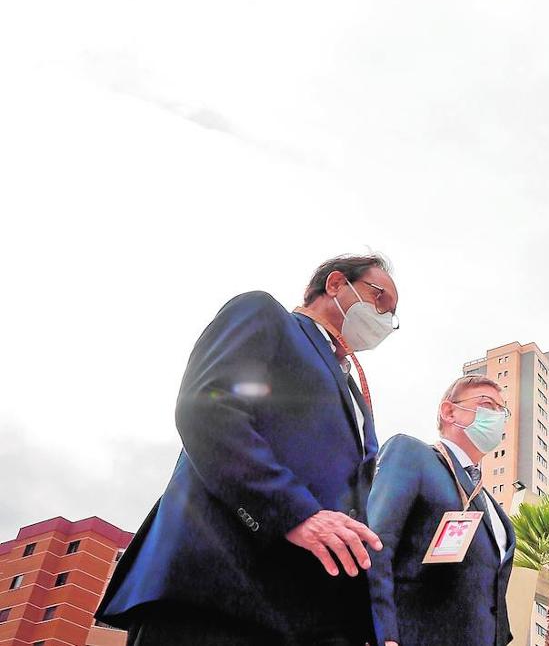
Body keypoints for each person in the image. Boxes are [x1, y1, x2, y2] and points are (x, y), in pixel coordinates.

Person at [96, 254, 400, 645]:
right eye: (379, 299)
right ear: (337, 284)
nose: (384, 319)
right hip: (219, 593)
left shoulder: (357, 395)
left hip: (311, 617)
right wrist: (294, 513)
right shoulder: (266, 316)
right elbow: (208, 410)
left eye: (391, 315)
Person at [367, 375, 516, 646]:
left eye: (501, 411)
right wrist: (384, 635)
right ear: (449, 411)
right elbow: (376, 546)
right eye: (486, 404)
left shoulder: (494, 509)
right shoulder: (412, 454)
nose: (496, 416)